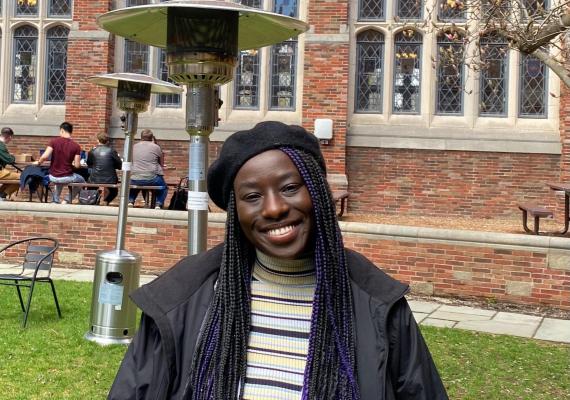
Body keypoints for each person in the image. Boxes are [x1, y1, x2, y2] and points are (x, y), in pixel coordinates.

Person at [108, 121, 448, 400]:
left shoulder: (378, 304)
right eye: (252, 197)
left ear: (317, 191)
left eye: (289, 188)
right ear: (235, 212)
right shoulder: (179, 301)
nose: (273, 209)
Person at [34, 122, 85, 204]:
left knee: (59, 179)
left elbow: (45, 156)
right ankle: (66, 200)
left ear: (62, 130)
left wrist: (39, 162)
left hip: (53, 176)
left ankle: (55, 200)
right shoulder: (76, 146)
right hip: (67, 177)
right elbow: (77, 165)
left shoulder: (53, 142)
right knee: (82, 181)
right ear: (71, 132)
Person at [128, 129, 167, 209]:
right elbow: (161, 164)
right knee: (164, 187)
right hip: (152, 178)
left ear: (141, 137)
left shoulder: (134, 147)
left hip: (135, 177)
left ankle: (131, 201)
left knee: (135, 181)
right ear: (151, 137)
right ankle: (158, 203)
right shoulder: (156, 147)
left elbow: (132, 162)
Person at [87, 132, 122, 206]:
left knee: (90, 188)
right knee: (114, 191)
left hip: (95, 178)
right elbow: (119, 165)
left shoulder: (92, 151)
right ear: (107, 141)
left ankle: (93, 201)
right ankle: (106, 201)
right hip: (110, 179)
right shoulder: (112, 151)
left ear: (97, 140)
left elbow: (89, 164)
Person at [0, 127, 20, 201]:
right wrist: (11, 156)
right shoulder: (1, 146)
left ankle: (1, 194)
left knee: (12, 178)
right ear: (10, 137)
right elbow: (10, 160)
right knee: (23, 177)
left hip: (2, 171)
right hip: (0, 172)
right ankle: (2, 195)